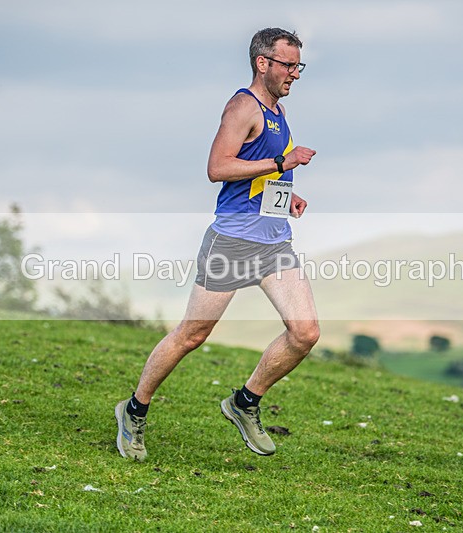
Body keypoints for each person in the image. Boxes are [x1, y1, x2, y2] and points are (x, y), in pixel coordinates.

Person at [115, 27, 319, 461]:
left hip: (273, 243)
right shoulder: (243, 107)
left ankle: (245, 403)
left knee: (305, 332)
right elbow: (218, 166)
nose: (296, 73)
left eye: (299, 65)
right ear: (263, 62)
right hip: (232, 242)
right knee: (192, 335)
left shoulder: (277, 110)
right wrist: (284, 160)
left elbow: (256, 171)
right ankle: (133, 411)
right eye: (289, 64)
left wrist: (286, 191)